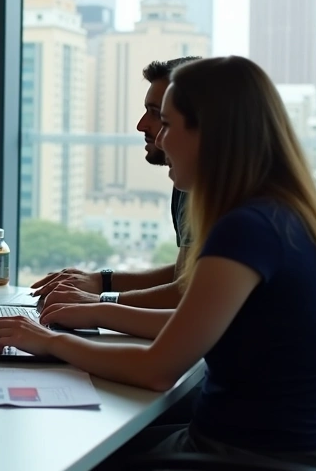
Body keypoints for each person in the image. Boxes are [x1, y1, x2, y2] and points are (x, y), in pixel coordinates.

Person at [0, 56, 316, 471]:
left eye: (167, 124)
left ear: (210, 135)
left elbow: (156, 370)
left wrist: (50, 341)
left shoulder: (248, 229)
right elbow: (190, 323)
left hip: (251, 463)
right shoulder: (278, 213)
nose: (159, 140)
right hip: (259, 450)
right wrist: (97, 311)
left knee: (63, 459)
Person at [31, 57, 199, 309]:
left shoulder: (239, 210)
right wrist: (101, 282)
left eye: (160, 116)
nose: (141, 125)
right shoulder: (187, 184)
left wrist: (98, 303)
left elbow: (185, 296)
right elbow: (185, 274)